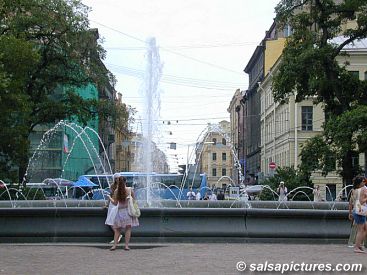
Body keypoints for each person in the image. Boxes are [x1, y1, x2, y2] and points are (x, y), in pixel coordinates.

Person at [105, 176, 139, 251]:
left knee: (117, 230)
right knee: (128, 229)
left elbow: (114, 203)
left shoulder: (116, 191)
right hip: (128, 212)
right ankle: (126, 246)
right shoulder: (130, 190)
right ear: (125, 181)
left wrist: (109, 198)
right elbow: (134, 201)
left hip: (119, 212)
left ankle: (114, 246)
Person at [350, 175, 367, 253]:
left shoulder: (356, 189)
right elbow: (361, 201)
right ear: (360, 183)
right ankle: (357, 247)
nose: (365, 182)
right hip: (360, 211)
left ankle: (358, 244)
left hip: (357, 210)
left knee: (364, 228)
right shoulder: (362, 189)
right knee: (361, 230)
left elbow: (352, 202)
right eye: (364, 181)